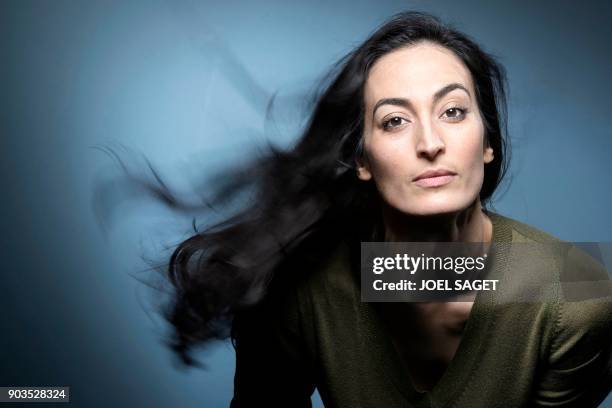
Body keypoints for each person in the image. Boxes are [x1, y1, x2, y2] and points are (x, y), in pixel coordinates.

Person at [153, 11, 612, 407]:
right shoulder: (297, 285)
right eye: (394, 121)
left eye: (453, 111)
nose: (430, 144)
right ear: (361, 160)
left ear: (488, 140)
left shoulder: (579, 291)